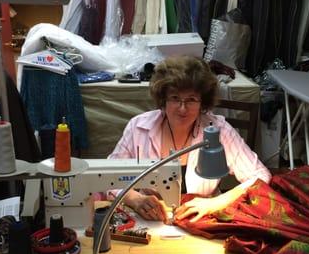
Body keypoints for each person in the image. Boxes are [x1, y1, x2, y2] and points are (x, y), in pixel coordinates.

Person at [108, 55, 271, 222]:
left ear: (203, 102)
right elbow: (108, 177)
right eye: (175, 98)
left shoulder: (218, 131)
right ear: (163, 99)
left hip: (203, 218)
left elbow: (261, 176)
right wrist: (135, 199)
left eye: (191, 100)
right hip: (150, 220)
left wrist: (217, 203)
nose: (182, 109)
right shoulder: (138, 128)